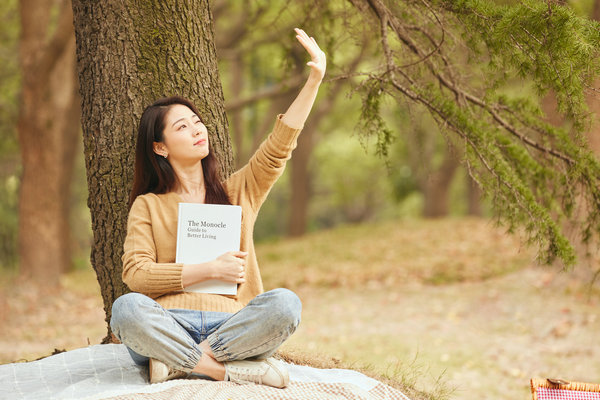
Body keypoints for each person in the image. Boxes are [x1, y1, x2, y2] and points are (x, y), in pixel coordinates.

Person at [109, 28, 326, 389]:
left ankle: (182, 362)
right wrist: (207, 269)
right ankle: (225, 370)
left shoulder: (238, 191)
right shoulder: (148, 206)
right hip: (168, 322)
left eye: (197, 121)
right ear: (160, 148)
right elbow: (137, 275)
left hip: (231, 326)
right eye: (182, 126)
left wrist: (314, 80)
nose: (197, 129)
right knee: (126, 310)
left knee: (286, 304)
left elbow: (279, 146)